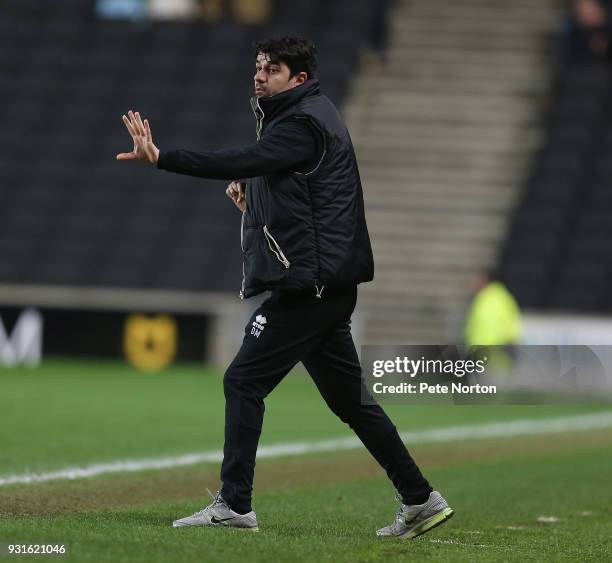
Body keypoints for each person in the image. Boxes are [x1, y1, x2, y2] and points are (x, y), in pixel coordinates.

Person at [117, 36, 453, 538]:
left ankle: (234, 505)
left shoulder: (302, 122)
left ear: (297, 79)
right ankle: (421, 498)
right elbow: (301, 193)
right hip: (325, 284)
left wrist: (163, 156)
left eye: (271, 69)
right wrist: (253, 194)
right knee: (351, 404)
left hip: (310, 288)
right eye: (258, 66)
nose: (259, 75)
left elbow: (244, 159)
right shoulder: (304, 116)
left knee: (243, 381)